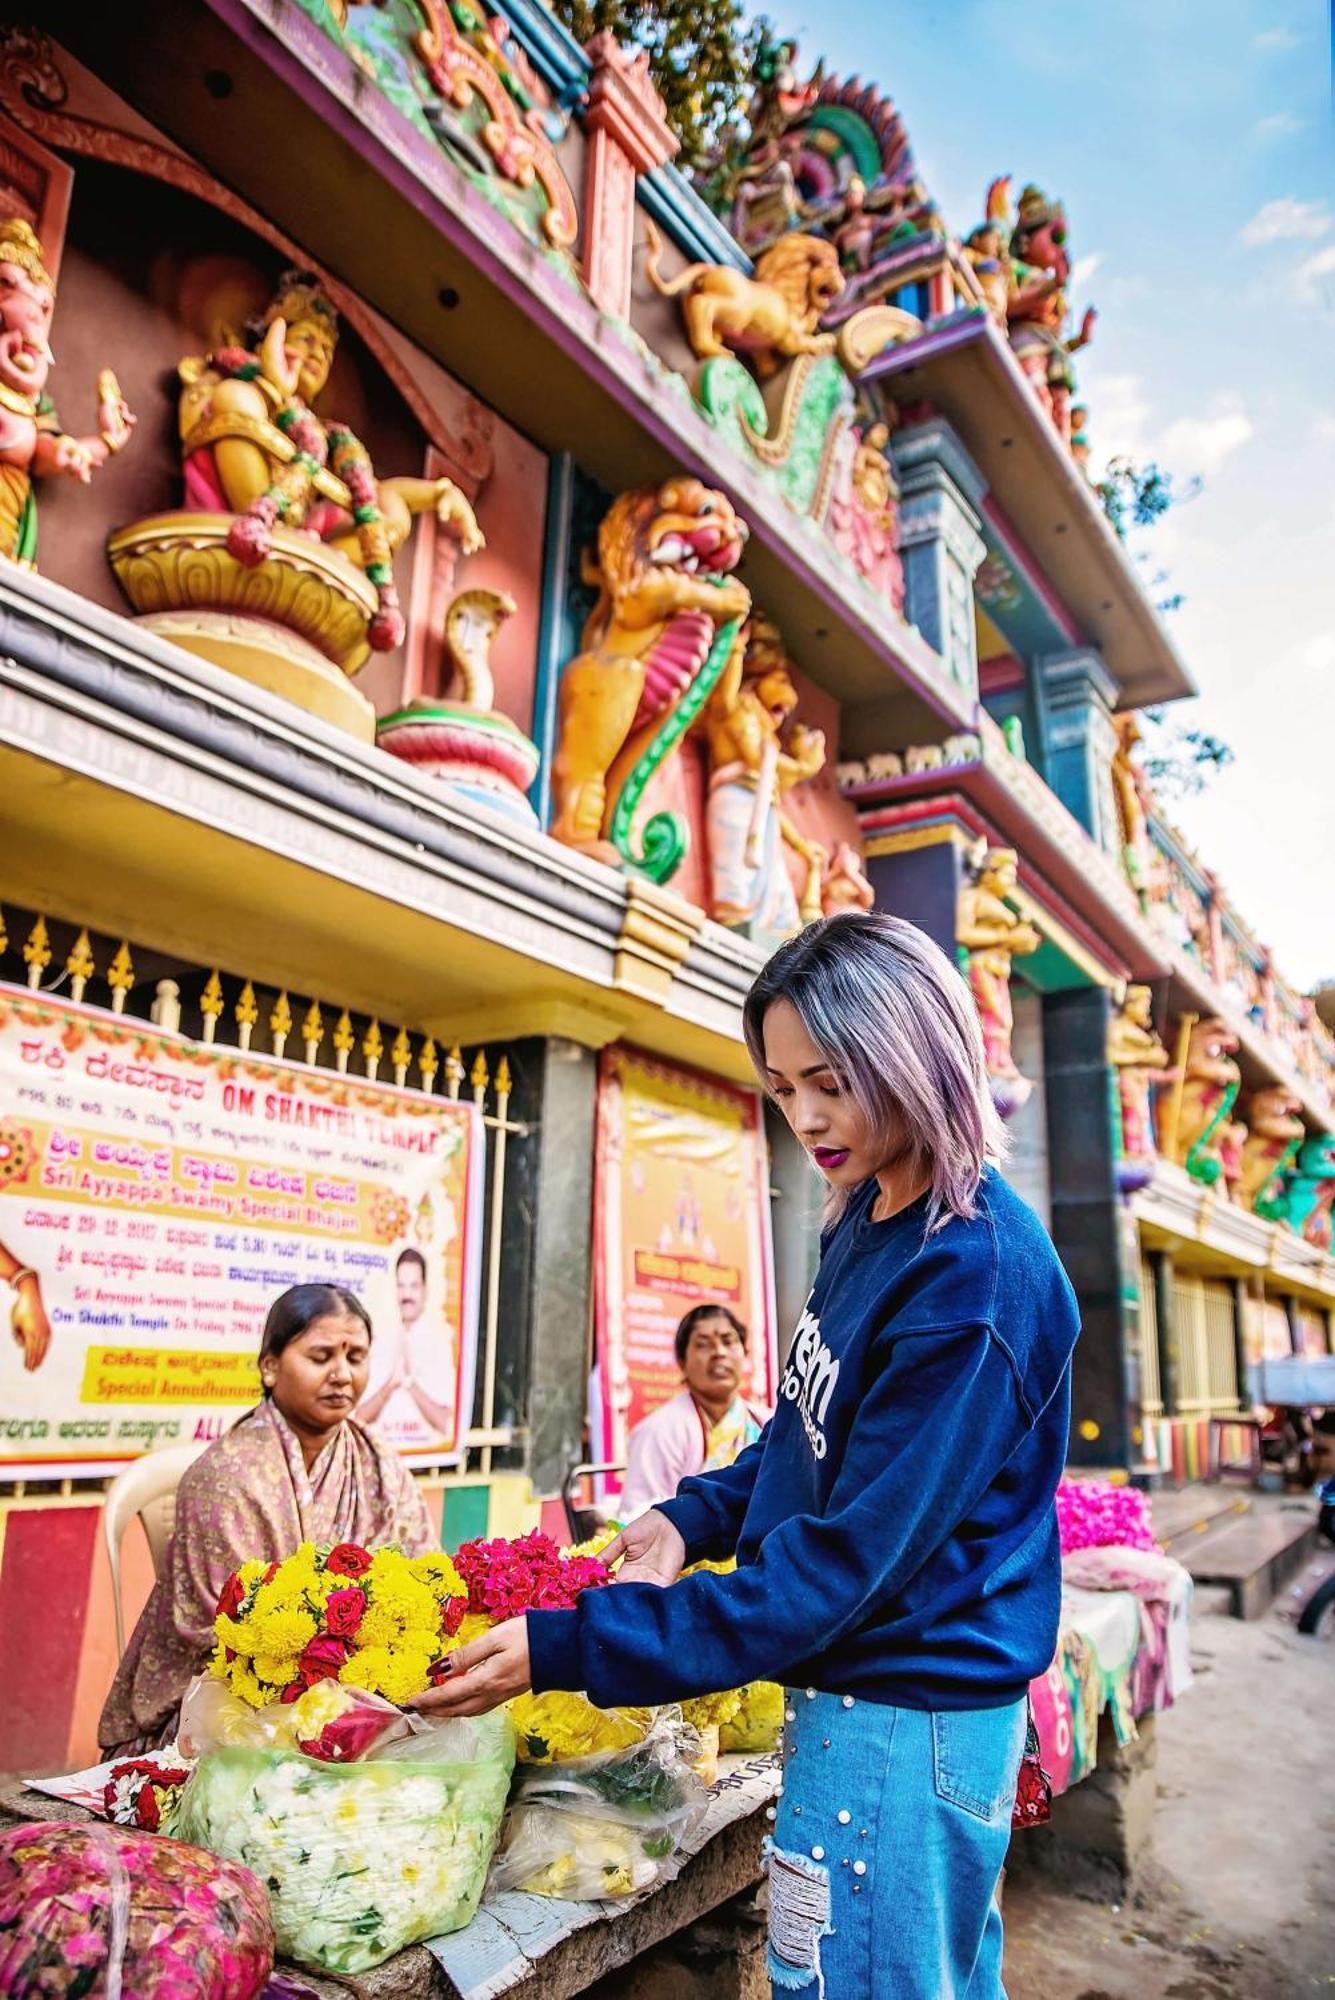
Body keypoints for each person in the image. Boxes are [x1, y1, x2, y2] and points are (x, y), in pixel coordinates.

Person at [414, 911, 1082, 2000]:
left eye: (831, 1080)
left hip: (904, 1721)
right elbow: (806, 1427)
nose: (805, 1117)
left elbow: (834, 1566)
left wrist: (572, 1642)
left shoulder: (976, 1281)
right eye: (781, 1086)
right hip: (859, 1701)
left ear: (914, 1057)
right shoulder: (869, 1209)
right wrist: (694, 1514)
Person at [99, 1283, 435, 1756]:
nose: (342, 1374)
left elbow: (420, 1579)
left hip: (359, 1698)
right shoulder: (226, 1477)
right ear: (270, 1367)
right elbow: (218, 1635)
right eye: (321, 1357)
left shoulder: (380, 1465)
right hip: (222, 1708)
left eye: (355, 1357)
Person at [618, 1305, 765, 1519]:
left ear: (744, 1353)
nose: (719, 1352)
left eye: (728, 1341)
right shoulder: (658, 1432)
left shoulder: (770, 1423)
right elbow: (637, 1518)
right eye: (703, 1344)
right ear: (682, 1362)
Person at [357, 1247, 459, 1451]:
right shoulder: (383, 1341)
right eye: (401, 1286)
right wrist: (390, 1386)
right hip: (381, 1460)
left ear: (425, 1291)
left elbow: (445, 1423)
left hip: (427, 1464)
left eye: (414, 1286)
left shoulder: (439, 1344)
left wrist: (410, 1383)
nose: (407, 1295)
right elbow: (359, 1418)